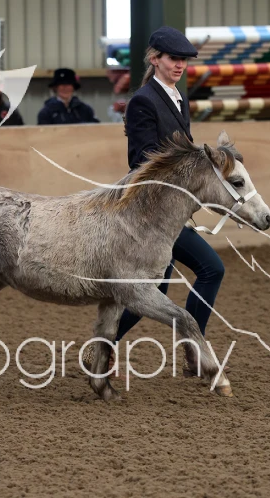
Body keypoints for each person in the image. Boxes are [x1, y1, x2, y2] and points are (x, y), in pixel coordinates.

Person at [88, 26, 230, 393]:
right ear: (155, 59)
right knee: (183, 278)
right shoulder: (144, 101)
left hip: (173, 211)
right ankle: (106, 349)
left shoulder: (178, 98)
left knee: (183, 279)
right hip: (152, 213)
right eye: (173, 59)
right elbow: (141, 159)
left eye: (184, 60)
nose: (180, 65)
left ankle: (184, 349)